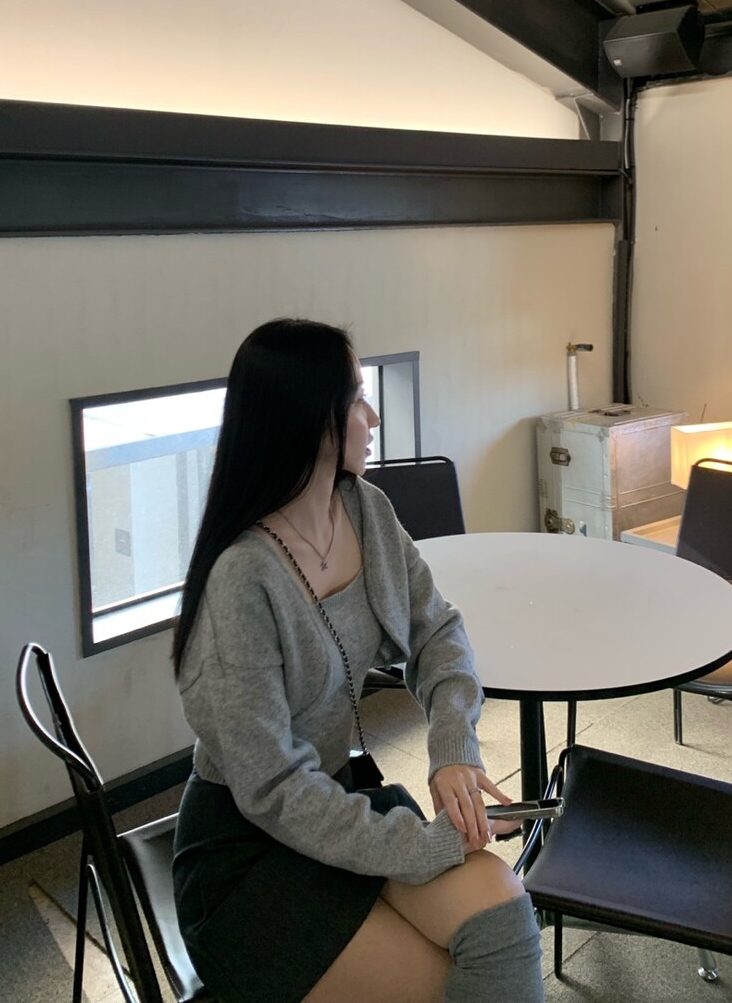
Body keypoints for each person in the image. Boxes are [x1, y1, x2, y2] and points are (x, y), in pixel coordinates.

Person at [172, 318, 544, 1003]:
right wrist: (423, 845)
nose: (372, 418)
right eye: (357, 400)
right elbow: (274, 790)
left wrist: (453, 747)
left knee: (502, 913)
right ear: (307, 419)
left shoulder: (365, 510)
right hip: (247, 856)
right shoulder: (242, 579)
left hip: (336, 806)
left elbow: (439, 631)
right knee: (449, 981)